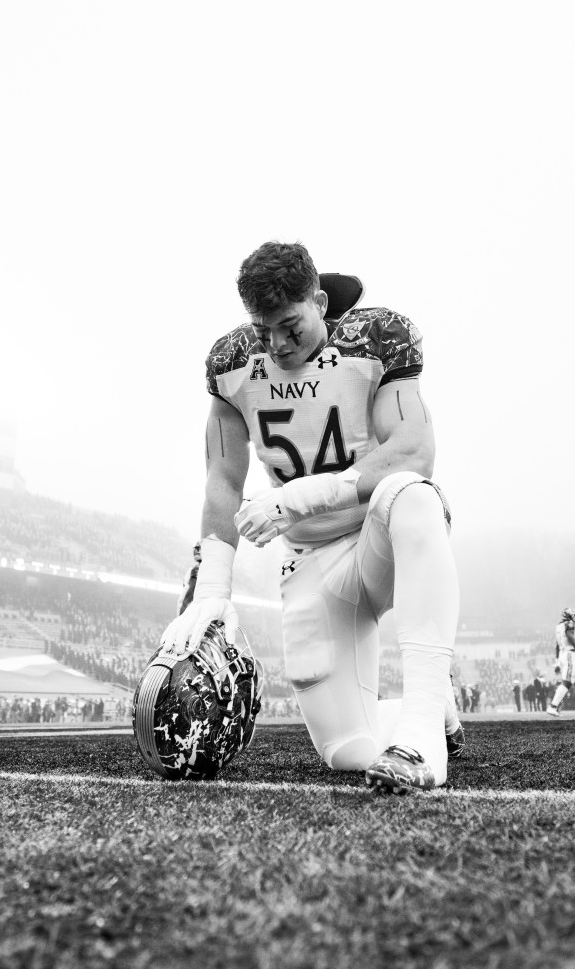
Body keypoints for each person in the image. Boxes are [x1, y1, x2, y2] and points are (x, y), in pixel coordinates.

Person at [158, 242, 462, 793]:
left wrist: (298, 496)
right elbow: (224, 478)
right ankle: (430, 704)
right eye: (263, 328)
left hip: (379, 536)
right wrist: (213, 588)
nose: (276, 344)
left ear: (319, 302)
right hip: (311, 561)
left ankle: (419, 737)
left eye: (290, 326)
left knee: (413, 494)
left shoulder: (376, 339)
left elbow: (413, 451)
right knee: (349, 752)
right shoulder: (233, 364)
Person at [547, 609, 575, 716]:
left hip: (565, 655)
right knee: (567, 682)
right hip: (569, 654)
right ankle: (553, 707)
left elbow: (557, 646)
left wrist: (557, 661)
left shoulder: (559, 626)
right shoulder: (569, 624)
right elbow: (573, 641)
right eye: (574, 615)